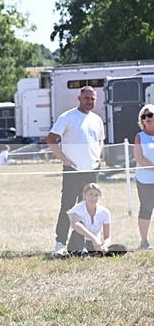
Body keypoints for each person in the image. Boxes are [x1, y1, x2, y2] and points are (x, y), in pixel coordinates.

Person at [45, 86, 105, 257]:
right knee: (68, 206)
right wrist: (64, 159)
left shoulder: (97, 120)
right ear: (79, 98)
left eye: (93, 99)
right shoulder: (68, 117)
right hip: (73, 170)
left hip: (92, 170)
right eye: (86, 98)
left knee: (87, 208)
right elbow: (50, 139)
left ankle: (79, 244)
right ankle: (60, 243)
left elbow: (100, 140)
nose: (89, 101)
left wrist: (98, 155)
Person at [64, 183, 124, 256]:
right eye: (90, 194)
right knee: (80, 224)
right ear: (85, 195)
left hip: (95, 245)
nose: (93, 198)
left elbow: (107, 237)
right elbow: (75, 224)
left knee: (122, 248)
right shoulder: (77, 209)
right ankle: (83, 252)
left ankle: (94, 254)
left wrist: (105, 245)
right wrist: (93, 238)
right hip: (78, 242)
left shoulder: (105, 212)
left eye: (96, 195)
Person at [133, 104, 154, 250]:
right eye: (144, 116)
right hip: (145, 180)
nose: (147, 118)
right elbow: (139, 158)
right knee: (146, 208)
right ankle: (144, 242)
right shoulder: (139, 136)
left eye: (150, 115)